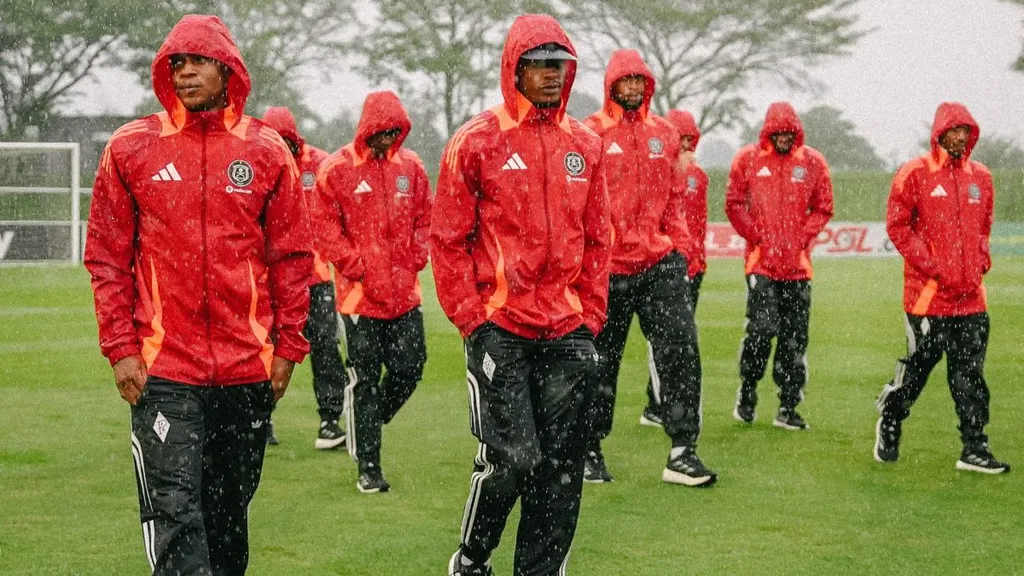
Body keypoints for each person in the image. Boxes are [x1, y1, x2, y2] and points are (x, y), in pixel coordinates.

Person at [84, 15, 313, 574]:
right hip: (164, 372)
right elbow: (107, 258)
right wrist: (121, 348)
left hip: (245, 371)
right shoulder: (131, 147)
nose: (185, 72)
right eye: (175, 63)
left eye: (198, 61)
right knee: (176, 516)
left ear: (228, 68)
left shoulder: (265, 151)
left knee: (228, 519)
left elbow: (291, 258)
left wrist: (287, 349)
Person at [431, 14, 611, 576]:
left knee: (561, 467)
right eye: (540, 64)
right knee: (512, 460)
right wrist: (472, 320)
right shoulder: (476, 141)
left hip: (566, 331)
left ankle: (539, 570)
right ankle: (472, 558)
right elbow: (447, 239)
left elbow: (599, 237)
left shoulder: (585, 144)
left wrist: (590, 317)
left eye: (560, 64)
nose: (553, 75)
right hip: (500, 329)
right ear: (515, 69)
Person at [581, 49, 714, 487]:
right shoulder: (589, 133)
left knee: (681, 351)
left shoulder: (665, 134)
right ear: (612, 85)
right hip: (607, 269)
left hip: (660, 263)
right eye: (627, 81)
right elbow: (578, 203)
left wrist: (680, 245)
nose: (634, 88)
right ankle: (589, 450)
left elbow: (676, 197)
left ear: (649, 86)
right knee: (600, 362)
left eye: (641, 81)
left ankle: (682, 452)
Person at [874, 102, 1009, 474]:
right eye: (954, 131)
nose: (961, 137)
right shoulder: (914, 173)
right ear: (940, 133)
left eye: (966, 131)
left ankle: (974, 447)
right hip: (928, 299)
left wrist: (982, 258)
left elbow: (984, 226)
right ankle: (890, 418)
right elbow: (898, 226)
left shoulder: (981, 176)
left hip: (971, 299)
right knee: (918, 369)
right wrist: (933, 266)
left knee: (970, 375)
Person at [316, 90, 432, 493]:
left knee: (411, 367)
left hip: (404, 295)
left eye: (395, 132)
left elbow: (425, 217)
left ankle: (368, 422)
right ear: (368, 130)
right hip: (359, 300)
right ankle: (369, 465)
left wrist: (417, 254)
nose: (388, 139)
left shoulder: (412, 167)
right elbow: (325, 228)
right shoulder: (337, 169)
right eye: (382, 132)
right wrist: (355, 265)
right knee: (364, 379)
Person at [725, 102, 833, 431]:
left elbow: (824, 206)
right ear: (769, 132)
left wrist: (803, 237)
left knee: (794, 339)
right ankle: (747, 391)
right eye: (778, 133)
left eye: (789, 134)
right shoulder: (748, 158)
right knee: (760, 331)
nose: (784, 139)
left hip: (798, 268)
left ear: (796, 133)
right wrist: (756, 236)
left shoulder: (813, 162)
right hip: (762, 265)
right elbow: (733, 203)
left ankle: (788, 406)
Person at [263, 106, 347, 450]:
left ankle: (330, 421)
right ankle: (260, 418)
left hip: (315, 278)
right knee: (263, 348)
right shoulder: (256, 164)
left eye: (285, 140)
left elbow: (341, 211)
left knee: (325, 348)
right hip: (270, 279)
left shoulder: (321, 164)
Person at [640, 109, 710, 429]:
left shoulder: (700, 177)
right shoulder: (658, 170)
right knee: (661, 340)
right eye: (680, 139)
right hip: (665, 264)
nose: (685, 145)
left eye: (689, 139)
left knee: (681, 341)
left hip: (692, 265)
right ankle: (657, 404)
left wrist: (696, 257)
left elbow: (699, 222)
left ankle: (663, 403)